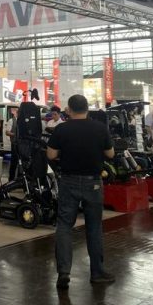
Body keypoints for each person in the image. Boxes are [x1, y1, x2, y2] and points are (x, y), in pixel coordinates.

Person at [47, 94, 115, 290]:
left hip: (68, 181)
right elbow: (110, 153)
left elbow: (50, 154)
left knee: (64, 226)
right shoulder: (99, 128)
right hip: (93, 182)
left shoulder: (62, 129)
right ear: (87, 108)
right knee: (94, 227)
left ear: (69, 109)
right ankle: (97, 273)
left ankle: (63, 272)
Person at [5, 107, 19, 180]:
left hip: (21, 145)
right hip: (14, 144)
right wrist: (15, 134)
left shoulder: (22, 121)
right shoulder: (11, 121)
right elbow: (7, 132)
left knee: (21, 163)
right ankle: (11, 178)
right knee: (14, 162)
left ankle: (20, 178)